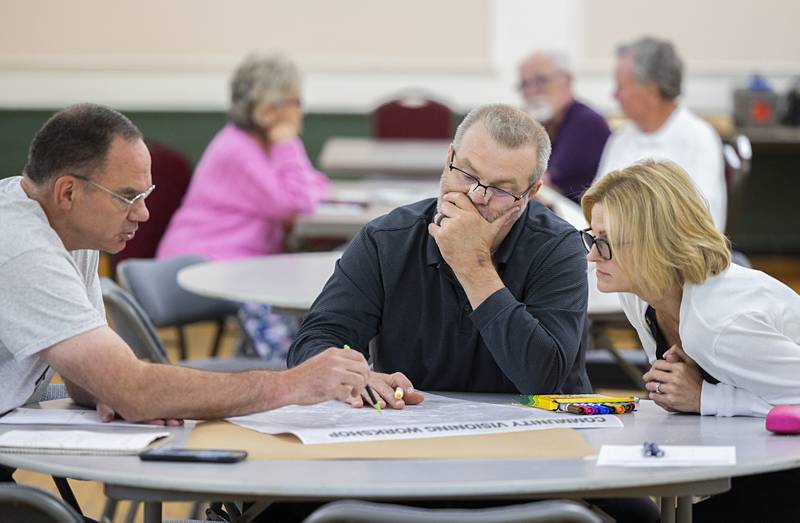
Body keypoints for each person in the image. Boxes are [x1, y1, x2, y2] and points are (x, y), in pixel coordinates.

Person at [0, 103, 371, 432]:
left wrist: (119, 389)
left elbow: (95, 381)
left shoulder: (71, 229)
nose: (143, 213)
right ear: (68, 193)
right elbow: (133, 389)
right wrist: (293, 384)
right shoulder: (25, 249)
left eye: (145, 196)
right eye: (128, 197)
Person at [290, 103, 592, 407]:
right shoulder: (386, 241)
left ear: (531, 193)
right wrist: (356, 376)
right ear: (448, 160)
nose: (476, 197)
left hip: (539, 437)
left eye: (501, 190)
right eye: (467, 174)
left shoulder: (558, 248)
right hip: (413, 428)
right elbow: (312, 344)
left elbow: (545, 380)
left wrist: (473, 265)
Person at [581, 160, 800, 521]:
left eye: (606, 243)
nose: (592, 255)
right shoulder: (640, 294)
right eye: (592, 237)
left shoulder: (721, 324)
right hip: (759, 460)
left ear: (656, 244)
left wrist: (707, 397)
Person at [156, 54, 330, 363]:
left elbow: (316, 186)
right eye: (296, 101)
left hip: (236, 263)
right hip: (199, 265)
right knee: (278, 299)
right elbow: (299, 203)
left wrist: (286, 149)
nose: (300, 110)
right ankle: (288, 370)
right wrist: (288, 143)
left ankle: (285, 366)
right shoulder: (237, 150)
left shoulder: (261, 145)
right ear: (270, 109)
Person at [595, 36, 728, 231]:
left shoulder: (699, 138)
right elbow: (597, 202)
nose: (614, 96)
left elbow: (705, 223)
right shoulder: (621, 138)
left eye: (621, 87)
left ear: (650, 91)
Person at [518, 51, 610, 203]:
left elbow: (538, 184)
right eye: (524, 84)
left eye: (540, 81)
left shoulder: (586, 123)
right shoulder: (545, 124)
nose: (530, 91)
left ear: (566, 80)